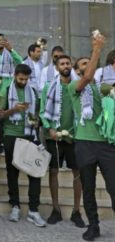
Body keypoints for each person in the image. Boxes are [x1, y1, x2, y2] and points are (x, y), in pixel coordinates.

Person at [70, 35, 115, 241]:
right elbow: (87, 78)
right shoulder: (73, 88)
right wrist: (97, 50)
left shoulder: (103, 89)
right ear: (77, 70)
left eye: (90, 63)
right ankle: (93, 225)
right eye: (83, 64)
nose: (88, 66)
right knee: (88, 188)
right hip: (84, 143)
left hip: (106, 144)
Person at [0, 64, 46, 227]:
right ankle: (15, 206)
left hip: (29, 134)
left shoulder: (32, 91)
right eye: (21, 79)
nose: (24, 82)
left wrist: (36, 120)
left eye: (26, 79)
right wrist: (14, 109)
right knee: (12, 173)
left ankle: (33, 210)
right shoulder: (5, 90)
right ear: (14, 76)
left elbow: (36, 114)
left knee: (34, 174)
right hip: (11, 134)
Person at [39, 55, 85, 228]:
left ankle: (76, 211)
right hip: (54, 136)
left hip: (74, 136)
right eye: (62, 64)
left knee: (77, 173)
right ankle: (56, 209)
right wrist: (49, 128)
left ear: (71, 66)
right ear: (56, 67)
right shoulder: (48, 87)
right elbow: (43, 111)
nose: (65, 66)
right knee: (53, 171)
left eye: (67, 63)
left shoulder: (78, 86)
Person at [0, 33, 23, 156]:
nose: (1, 42)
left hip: (9, 88)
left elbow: (20, 62)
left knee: (8, 115)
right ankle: (1, 144)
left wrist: (11, 49)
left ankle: (9, 143)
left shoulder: (10, 53)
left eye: (3, 40)